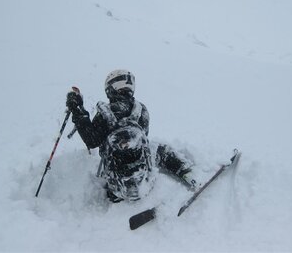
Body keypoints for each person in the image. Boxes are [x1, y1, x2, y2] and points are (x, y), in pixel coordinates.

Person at [66, 69, 198, 202]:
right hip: (144, 180)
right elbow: (144, 138)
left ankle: (119, 189)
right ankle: (187, 172)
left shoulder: (106, 111)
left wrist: (78, 110)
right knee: (160, 150)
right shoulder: (141, 110)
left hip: (116, 187)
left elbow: (92, 140)